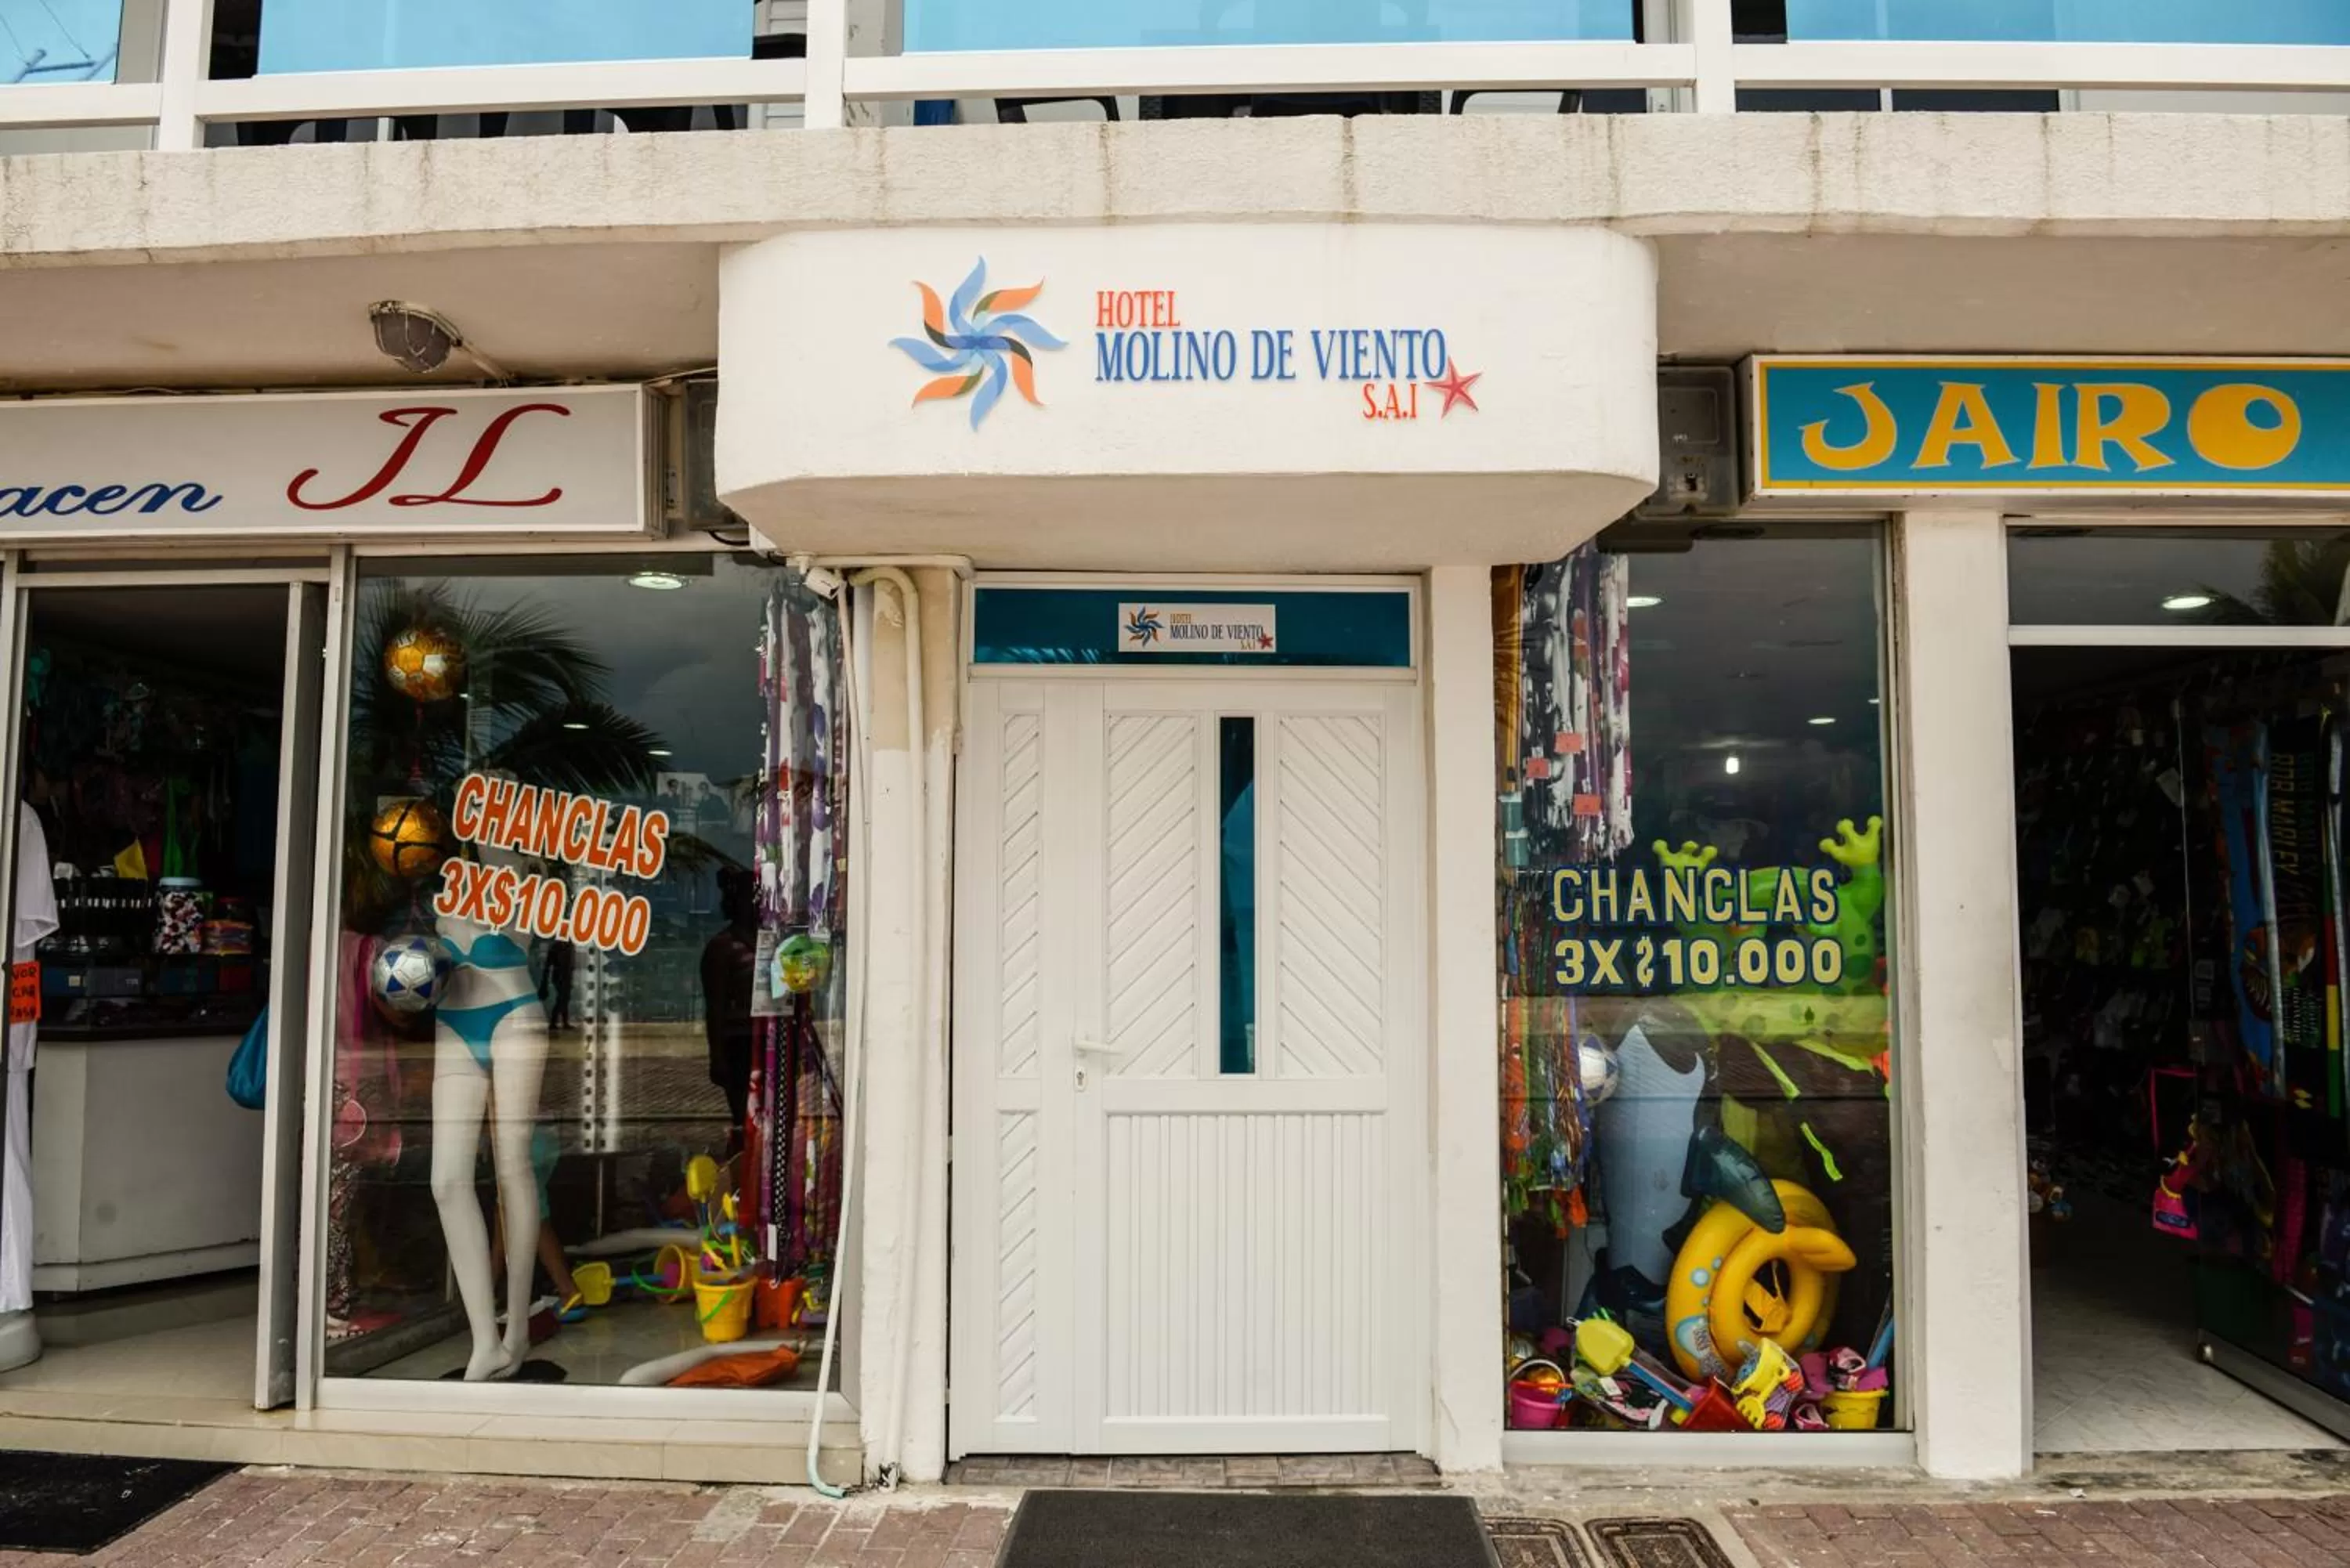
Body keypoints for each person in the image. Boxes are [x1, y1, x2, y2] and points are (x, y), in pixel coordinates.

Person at [700, 868, 759, 1147]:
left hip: (767, 1042)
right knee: (743, 1121)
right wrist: (718, 1056)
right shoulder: (722, 948)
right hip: (739, 1045)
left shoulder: (769, 943)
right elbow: (715, 1006)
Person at [539, 941, 574, 1031]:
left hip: (564, 976)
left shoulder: (566, 945)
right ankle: (556, 1022)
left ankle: (561, 1022)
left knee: (564, 998)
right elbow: (549, 963)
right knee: (562, 998)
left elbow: (570, 963)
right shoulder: (562, 946)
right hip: (561, 976)